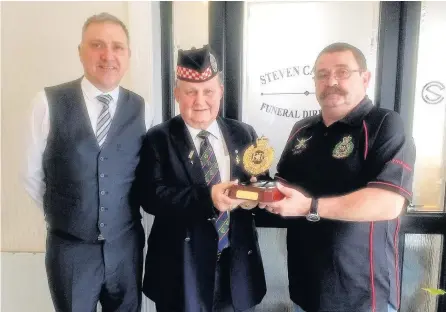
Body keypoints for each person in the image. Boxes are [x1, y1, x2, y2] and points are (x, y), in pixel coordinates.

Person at [263, 42, 416, 312]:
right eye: (322, 75)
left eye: (342, 72)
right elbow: (284, 184)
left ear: (365, 78)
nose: (331, 81)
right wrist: (253, 192)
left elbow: (389, 203)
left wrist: (310, 206)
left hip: (362, 296)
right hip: (306, 289)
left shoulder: (384, 124)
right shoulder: (302, 129)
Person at [23, 12, 153, 312]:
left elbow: (140, 174)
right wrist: (69, 213)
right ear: (80, 52)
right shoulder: (46, 103)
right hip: (70, 251)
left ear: (128, 55)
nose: (108, 55)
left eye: (118, 47)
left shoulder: (143, 108)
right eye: (97, 45)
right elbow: (30, 174)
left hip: (126, 248)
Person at [136, 45, 266, 312]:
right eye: (190, 92)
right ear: (176, 94)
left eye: (208, 91)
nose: (200, 101)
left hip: (236, 268)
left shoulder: (244, 133)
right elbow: (150, 196)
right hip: (181, 271)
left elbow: (259, 179)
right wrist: (207, 197)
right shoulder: (158, 139)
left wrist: (256, 197)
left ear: (220, 91)